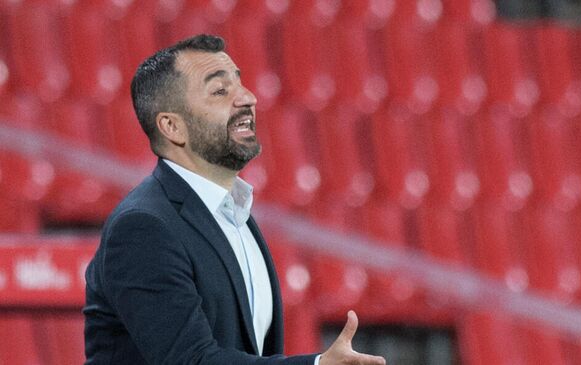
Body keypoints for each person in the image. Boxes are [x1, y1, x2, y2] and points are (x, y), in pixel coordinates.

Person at [83, 34, 386, 365]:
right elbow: (191, 361)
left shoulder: (235, 215)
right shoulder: (143, 227)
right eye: (219, 91)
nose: (248, 98)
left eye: (240, 84)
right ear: (172, 127)